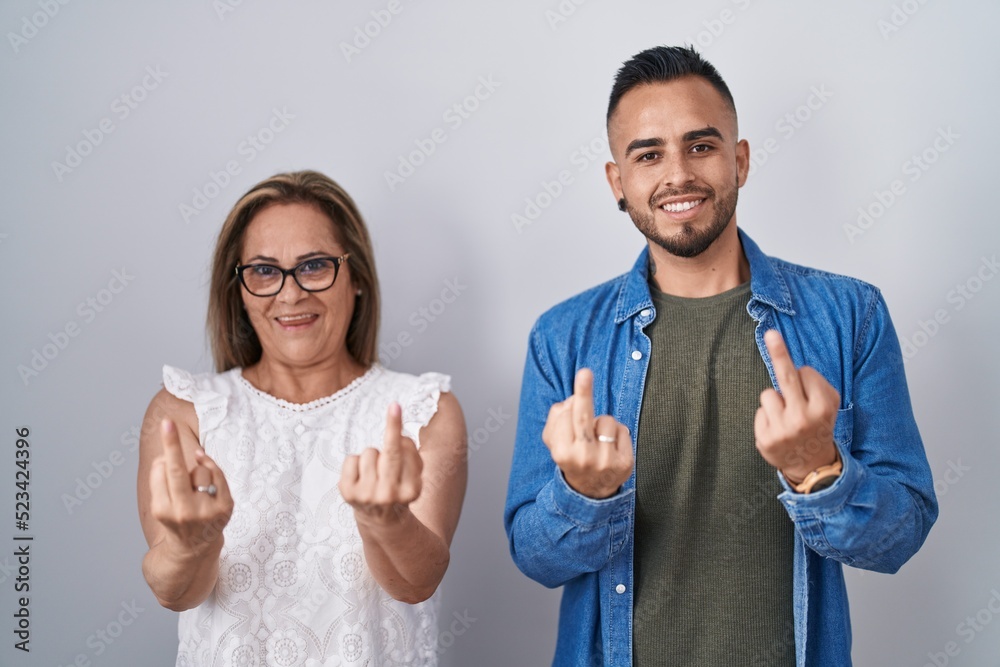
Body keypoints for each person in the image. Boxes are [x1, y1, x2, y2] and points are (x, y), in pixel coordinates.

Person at [503, 46, 937, 667]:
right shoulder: (563, 336)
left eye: (701, 146)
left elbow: (900, 536)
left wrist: (820, 471)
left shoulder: (851, 315)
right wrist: (584, 492)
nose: (677, 174)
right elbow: (535, 557)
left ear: (740, 161)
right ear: (616, 182)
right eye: (648, 154)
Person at [137, 170, 467, 666]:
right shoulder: (184, 411)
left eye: (313, 266)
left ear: (355, 278)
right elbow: (175, 592)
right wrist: (192, 543)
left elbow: (416, 583)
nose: (290, 294)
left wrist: (386, 520)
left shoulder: (423, 411)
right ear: (240, 290)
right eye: (265, 271)